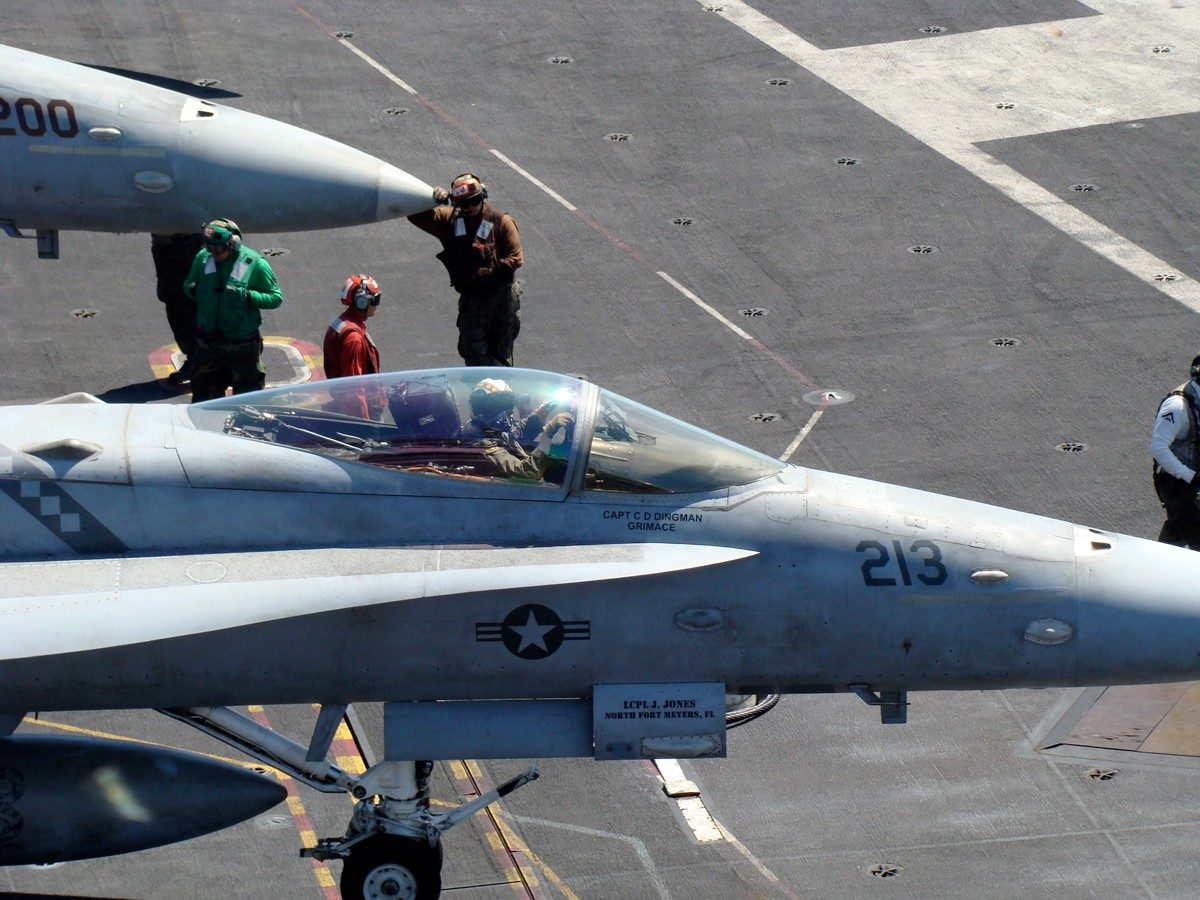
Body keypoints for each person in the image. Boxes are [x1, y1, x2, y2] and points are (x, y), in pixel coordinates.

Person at [408, 173, 523, 366]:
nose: (470, 207)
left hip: (501, 299)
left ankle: (500, 389)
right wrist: (433, 200)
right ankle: (484, 387)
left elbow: (516, 258)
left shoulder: (501, 221)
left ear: (482, 197)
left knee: (501, 353)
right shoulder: (449, 222)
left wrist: (491, 270)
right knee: (472, 353)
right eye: (463, 204)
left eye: (475, 201)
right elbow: (414, 215)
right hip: (472, 299)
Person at [183, 218, 284, 403]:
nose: (212, 252)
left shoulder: (255, 263)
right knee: (204, 400)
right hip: (208, 343)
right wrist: (193, 289)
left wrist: (249, 296)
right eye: (209, 247)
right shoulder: (203, 258)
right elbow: (188, 283)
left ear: (233, 244)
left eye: (217, 248)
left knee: (248, 402)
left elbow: (276, 297)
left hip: (242, 346)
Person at [463, 378, 572, 481]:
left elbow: (516, 432)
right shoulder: (483, 447)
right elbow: (528, 472)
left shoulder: (489, 430)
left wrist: (546, 408)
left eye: (508, 405)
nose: (509, 411)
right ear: (485, 410)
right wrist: (549, 431)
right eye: (500, 406)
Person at [1151, 353, 1200, 548]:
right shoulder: (1178, 406)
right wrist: (1190, 476)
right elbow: (1158, 447)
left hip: (1194, 477)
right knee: (1195, 533)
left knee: (1177, 529)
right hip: (1175, 481)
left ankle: (1158, 567)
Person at [324, 274, 384, 419]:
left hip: (344, 406)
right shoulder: (354, 338)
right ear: (362, 302)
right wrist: (365, 425)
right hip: (361, 412)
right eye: (375, 300)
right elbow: (354, 387)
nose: (376, 305)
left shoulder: (340, 324)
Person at [150, 232, 203, 385]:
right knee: (172, 299)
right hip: (164, 243)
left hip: (186, 241)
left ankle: (198, 360)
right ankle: (195, 358)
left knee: (187, 302)